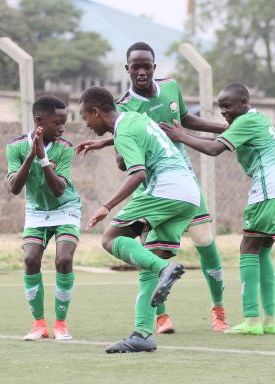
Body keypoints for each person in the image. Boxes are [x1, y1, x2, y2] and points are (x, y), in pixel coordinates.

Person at [75, 42, 229, 333]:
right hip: (164, 183)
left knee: (203, 242)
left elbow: (181, 122)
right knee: (152, 249)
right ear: (127, 69)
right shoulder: (124, 107)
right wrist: (109, 144)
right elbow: (128, 145)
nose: (142, 71)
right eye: (136, 66)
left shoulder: (170, 87)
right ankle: (154, 323)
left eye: (147, 66)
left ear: (155, 67)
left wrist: (225, 127)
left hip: (169, 181)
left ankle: (218, 310)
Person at [160, 83, 275, 336]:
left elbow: (214, 149)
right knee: (262, 252)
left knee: (247, 248)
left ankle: (251, 319)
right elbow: (217, 139)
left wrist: (180, 136)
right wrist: (184, 132)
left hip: (270, 187)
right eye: (220, 107)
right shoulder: (257, 119)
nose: (223, 111)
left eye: (227, 106)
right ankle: (270, 320)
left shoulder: (245, 122)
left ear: (244, 102)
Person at [79, 86, 200, 353]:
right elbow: (137, 138)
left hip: (165, 189)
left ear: (96, 111)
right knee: (146, 258)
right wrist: (105, 142)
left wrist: (105, 206)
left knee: (111, 238)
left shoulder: (124, 133)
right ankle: (143, 334)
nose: (86, 123)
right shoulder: (137, 118)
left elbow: (137, 174)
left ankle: (164, 270)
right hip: (189, 194)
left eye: (85, 116)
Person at [6, 96, 81, 341]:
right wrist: (31, 155)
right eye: (56, 123)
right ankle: (39, 324)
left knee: (64, 259)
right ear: (39, 121)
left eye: (64, 122)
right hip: (37, 211)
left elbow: (59, 189)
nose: (62, 128)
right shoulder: (15, 147)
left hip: (65, 208)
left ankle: (60, 323)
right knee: (30, 259)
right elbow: (15, 188)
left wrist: (44, 159)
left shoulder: (65, 147)